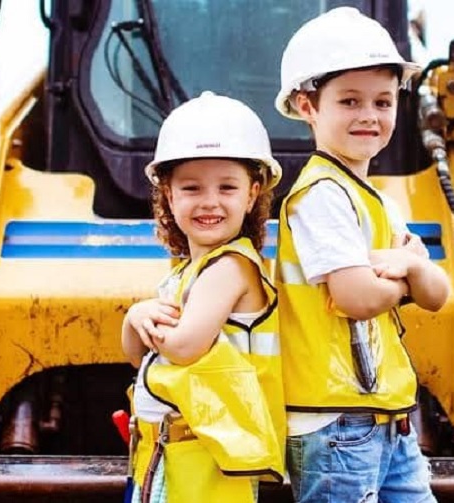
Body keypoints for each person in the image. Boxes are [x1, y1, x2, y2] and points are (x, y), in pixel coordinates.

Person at [274, 7, 450, 503]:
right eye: (349, 101)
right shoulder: (321, 195)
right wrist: (404, 278)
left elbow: (438, 295)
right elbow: (356, 296)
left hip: (387, 420)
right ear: (308, 105)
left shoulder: (376, 201)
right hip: (336, 425)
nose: (369, 116)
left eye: (383, 101)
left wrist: (413, 266)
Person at [120, 91, 285, 503]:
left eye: (227, 187)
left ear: (252, 193)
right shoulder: (185, 273)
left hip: (210, 459)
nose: (209, 201)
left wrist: (143, 321)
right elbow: (137, 355)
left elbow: (184, 347)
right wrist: (134, 318)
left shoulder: (229, 267)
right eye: (192, 188)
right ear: (169, 195)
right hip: (175, 453)